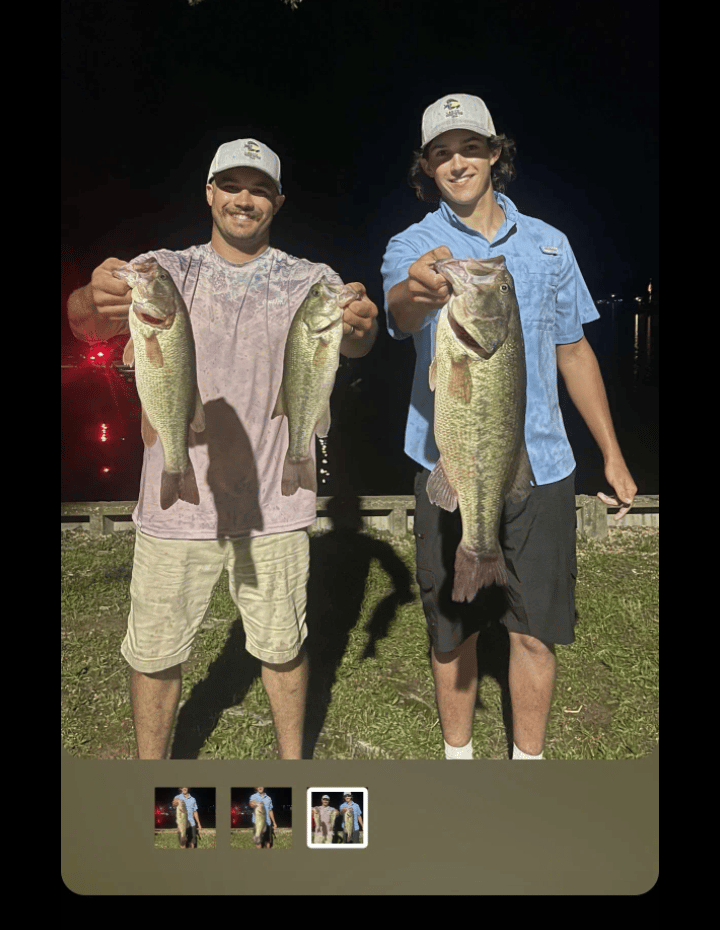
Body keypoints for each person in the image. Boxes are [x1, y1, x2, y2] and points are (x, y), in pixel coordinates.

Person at [67, 138, 378, 760]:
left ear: (278, 201)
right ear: (209, 193)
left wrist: (361, 329)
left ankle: (292, 772)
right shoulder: (165, 271)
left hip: (276, 502)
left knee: (282, 647)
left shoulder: (309, 279)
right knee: (154, 653)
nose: (244, 199)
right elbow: (84, 321)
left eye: (259, 188)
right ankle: (148, 780)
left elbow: (355, 346)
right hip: (174, 509)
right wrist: (91, 299)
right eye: (231, 185)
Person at [381, 94, 636, 761]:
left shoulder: (552, 245)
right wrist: (420, 291)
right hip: (452, 459)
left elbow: (574, 351)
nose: (457, 162)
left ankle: (528, 766)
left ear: (496, 153)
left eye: (470, 147)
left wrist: (611, 452)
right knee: (452, 631)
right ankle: (459, 762)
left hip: (544, 465)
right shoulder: (413, 245)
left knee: (535, 631)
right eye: (442, 153)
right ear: (427, 167)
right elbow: (401, 311)